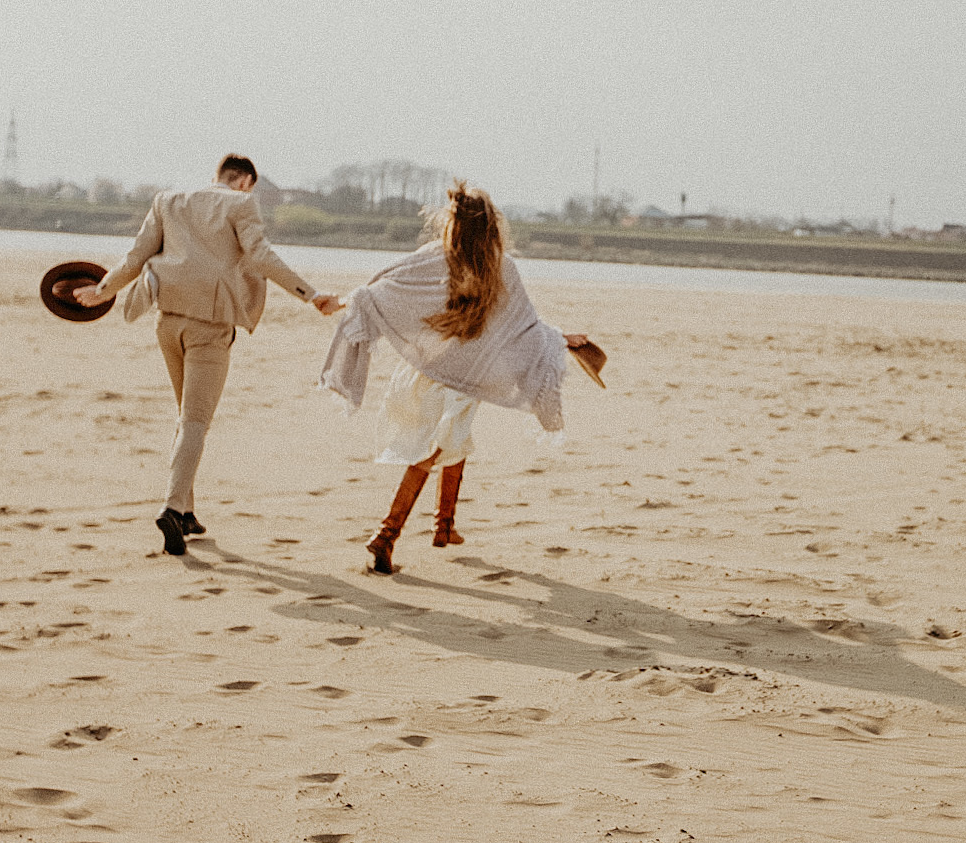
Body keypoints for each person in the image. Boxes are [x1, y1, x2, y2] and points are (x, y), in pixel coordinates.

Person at [76, 154, 342, 554]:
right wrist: (311, 295)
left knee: (186, 417)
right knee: (196, 421)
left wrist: (103, 291)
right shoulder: (241, 203)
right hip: (210, 326)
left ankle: (186, 511)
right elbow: (262, 256)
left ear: (217, 175)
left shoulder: (168, 200)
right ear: (246, 181)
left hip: (167, 321)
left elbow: (136, 256)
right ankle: (171, 507)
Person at [320, 182, 590, 574]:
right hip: (467, 376)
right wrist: (562, 339)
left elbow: (380, 290)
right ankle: (386, 535)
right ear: (491, 225)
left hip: (431, 369)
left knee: (454, 439)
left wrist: (341, 301)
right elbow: (527, 328)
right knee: (431, 451)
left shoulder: (436, 256)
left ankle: (444, 526)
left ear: (453, 223)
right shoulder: (501, 266)